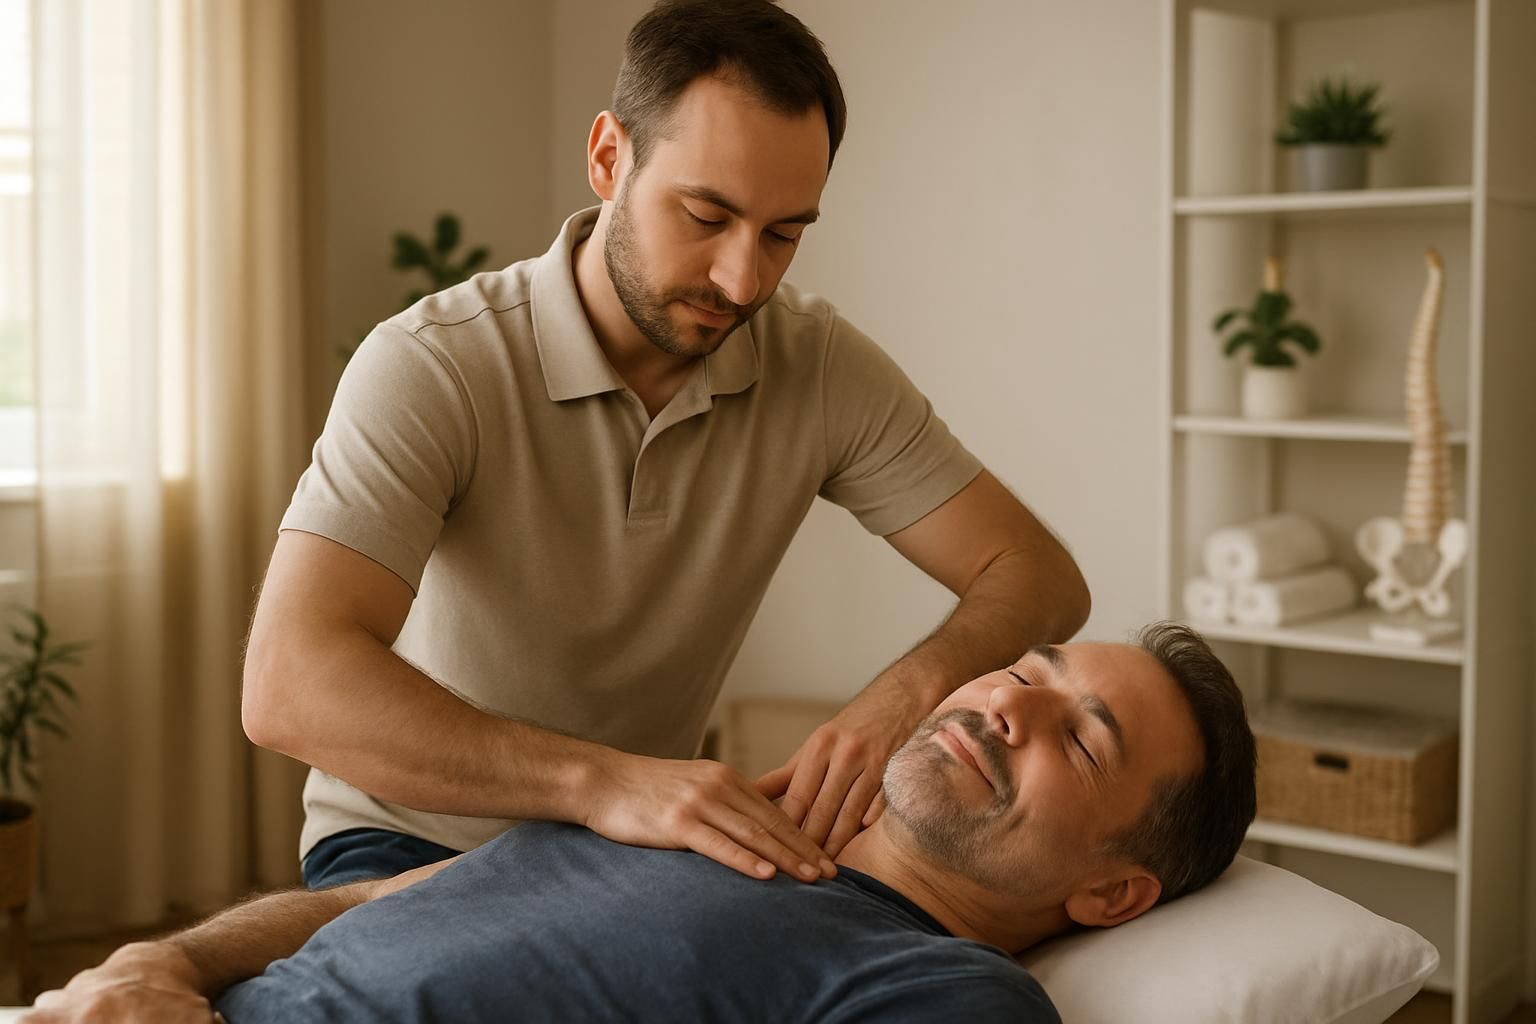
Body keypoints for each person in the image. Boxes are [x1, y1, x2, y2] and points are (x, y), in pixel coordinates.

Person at [242, 0, 1092, 897]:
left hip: (636, 856)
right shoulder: (435, 365)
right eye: (706, 215)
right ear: (610, 158)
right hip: (410, 844)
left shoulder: (819, 365)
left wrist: (906, 696)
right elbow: (289, 685)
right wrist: (601, 782)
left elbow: (1038, 574)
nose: (743, 278)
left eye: (783, 235)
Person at [30, 624, 1257, 1023]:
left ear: (1110, 894)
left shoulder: (944, 989)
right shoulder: (687, 807)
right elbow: (371, 901)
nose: (1007, 711)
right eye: (1025, 674)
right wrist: (160, 959)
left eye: (1083, 738)